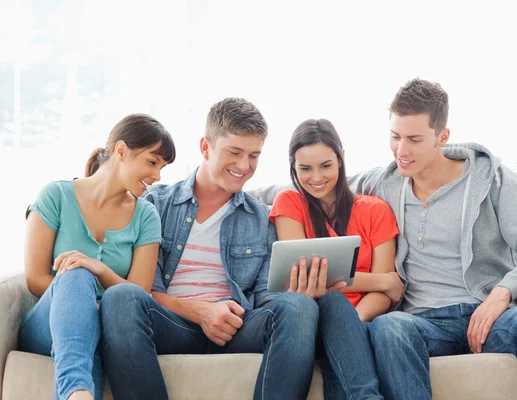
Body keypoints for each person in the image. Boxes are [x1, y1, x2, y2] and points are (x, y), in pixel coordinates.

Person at [253, 79, 517, 400]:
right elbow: (316, 183)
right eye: (395, 136)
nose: (401, 150)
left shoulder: (490, 179)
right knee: (389, 328)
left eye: (414, 139)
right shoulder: (385, 181)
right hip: (421, 323)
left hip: (489, 313)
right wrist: (232, 190)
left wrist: (500, 295)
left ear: (443, 137)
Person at [99, 98, 381, 400]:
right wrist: (201, 312)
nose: (244, 166)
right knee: (121, 298)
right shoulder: (155, 204)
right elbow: (144, 291)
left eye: (254, 155)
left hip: (235, 326)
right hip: (171, 323)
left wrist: (302, 292)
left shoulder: (261, 218)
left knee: (298, 306)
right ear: (205, 147)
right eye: (234, 152)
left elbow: (267, 299)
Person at [19, 114, 176, 400]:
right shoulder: (55, 196)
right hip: (50, 321)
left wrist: (99, 269)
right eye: (152, 162)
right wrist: (81, 301)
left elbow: (137, 293)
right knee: (76, 273)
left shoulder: (146, 216)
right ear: (120, 151)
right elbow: (35, 278)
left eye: (162, 167)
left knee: (86, 331)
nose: (158, 176)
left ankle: (77, 394)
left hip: (110, 327)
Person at [269, 118, 404, 398]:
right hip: (309, 324)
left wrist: (351, 322)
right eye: (305, 168)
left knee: (337, 310)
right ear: (293, 166)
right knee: (330, 300)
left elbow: (384, 296)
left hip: (362, 319)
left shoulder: (375, 210)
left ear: (341, 159)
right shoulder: (289, 203)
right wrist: (380, 280)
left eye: (325, 166)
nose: (316, 178)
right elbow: (306, 277)